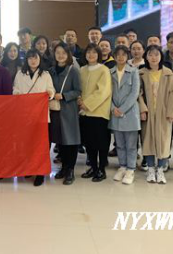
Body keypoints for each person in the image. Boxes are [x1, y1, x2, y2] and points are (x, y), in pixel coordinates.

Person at [13, 48, 55, 186]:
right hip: (24, 114)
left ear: (40, 59)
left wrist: (50, 93)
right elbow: (15, 89)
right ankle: (29, 168)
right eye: (30, 58)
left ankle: (40, 172)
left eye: (35, 57)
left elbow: (51, 90)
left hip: (40, 114)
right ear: (26, 60)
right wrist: (17, 94)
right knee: (27, 143)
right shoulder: (20, 74)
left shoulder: (45, 74)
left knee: (40, 145)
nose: (33, 60)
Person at [139, 45, 173, 184]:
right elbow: (138, 93)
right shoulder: (141, 73)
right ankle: (151, 170)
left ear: (161, 56)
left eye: (156, 54)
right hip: (148, 114)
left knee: (164, 142)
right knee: (148, 141)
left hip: (164, 114)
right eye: (150, 55)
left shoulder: (168, 73)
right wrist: (142, 109)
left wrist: (171, 112)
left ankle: (161, 170)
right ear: (146, 57)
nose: (153, 57)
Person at [78, 44, 112, 182]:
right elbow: (79, 88)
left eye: (94, 52)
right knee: (89, 142)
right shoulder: (82, 70)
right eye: (88, 52)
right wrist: (79, 100)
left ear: (98, 54)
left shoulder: (104, 69)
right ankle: (93, 167)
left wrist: (87, 104)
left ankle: (102, 169)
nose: (91, 55)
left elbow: (103, 91)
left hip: (99, 112)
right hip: (84, 112)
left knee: (101, 143)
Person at [49, 43, 81, 185]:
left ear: (68, 55)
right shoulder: (50, 71)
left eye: (63, 53)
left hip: (69, 109)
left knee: (71, 141)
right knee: (60, 140)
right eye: (58, 52)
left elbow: (78, 91)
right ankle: (63, 167)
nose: (60, 55)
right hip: (55, 110)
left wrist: (64, 96)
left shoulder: (73, 71)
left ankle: (70, 170)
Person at [109, 46, 141, 185]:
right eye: (118, 54)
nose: (120, 57)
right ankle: (122, 166)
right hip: (114, 112)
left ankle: (131, 169)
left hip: (130, 113)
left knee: (131, 145)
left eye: (123, 54)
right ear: (114, 56)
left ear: (128, 56)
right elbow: (107, 92)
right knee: (120, 144)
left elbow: (135, 93)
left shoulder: (134, 71)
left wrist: (122, 109)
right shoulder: (110, 72)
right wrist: (113, 108)